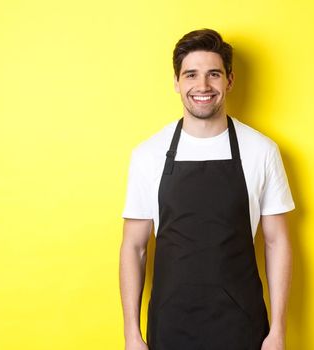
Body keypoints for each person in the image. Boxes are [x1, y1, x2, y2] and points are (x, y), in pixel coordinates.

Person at [118, 29, 295, 350]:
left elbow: (277, 241)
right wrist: (132, 334)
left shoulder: (261, 150)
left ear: (229, 80)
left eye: (213, 74)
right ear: (176, 82)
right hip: (169, 325)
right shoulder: (148, 154)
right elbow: (134, 247)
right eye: (191, 75)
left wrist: (277, 331)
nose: (202, 86)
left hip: (242, 324)